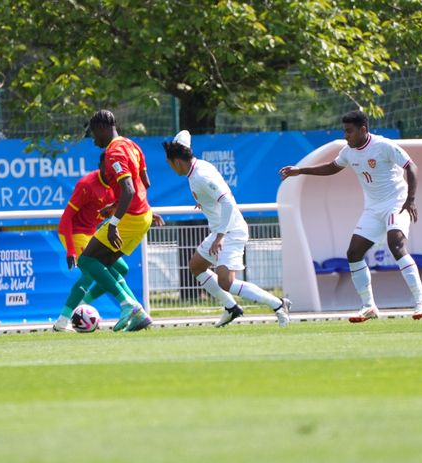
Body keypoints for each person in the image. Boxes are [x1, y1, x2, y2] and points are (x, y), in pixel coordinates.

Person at [279, 110, 422, 323]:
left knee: (395, 244)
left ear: (363, 129)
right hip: (373, 209)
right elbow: (332, 167)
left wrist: (411, 199)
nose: (346, 135)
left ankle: (421, 302)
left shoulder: (384, 145)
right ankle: (369, 306)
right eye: (344, 131)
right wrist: (300, 171)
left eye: (349, 131)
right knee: (353, 253)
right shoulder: (349, 152)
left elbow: (411, 167)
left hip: (396, 203)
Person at [163, 130, 291, 327]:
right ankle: (231, 308)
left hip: (231, 231)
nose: (170, 168)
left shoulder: (200, 175)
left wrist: (219, 237)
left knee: (226, 282)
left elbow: (229, 203)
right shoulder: (197, 168)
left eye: (170, 163)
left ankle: (278, 304)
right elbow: (216, 196)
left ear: (177, 161)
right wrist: (205, 203)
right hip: (221, 231)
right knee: (196, 266)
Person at [57, 109, 157, 332]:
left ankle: (127, 305)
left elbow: (129, 190)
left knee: (86, 261)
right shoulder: (132, 145)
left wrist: (113, 223)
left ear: (102, 128)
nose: (94, 139)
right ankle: (139, 315)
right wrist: (115, 206)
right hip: (143, 214)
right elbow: (145, 183)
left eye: (94, 133)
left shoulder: (114, 153)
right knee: (109, 264)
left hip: (130, 217)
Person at [52, 152, 142, 332]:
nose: (111, 171)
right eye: (107, 166)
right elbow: (66, 218)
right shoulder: (86, 185)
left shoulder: (116, 185)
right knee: (89, 273)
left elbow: (125, 203)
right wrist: (70, 250)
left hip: (92, 233)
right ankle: (62, 322)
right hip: (74, 232)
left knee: (122, 269)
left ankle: (84, 302)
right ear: (101, 165)